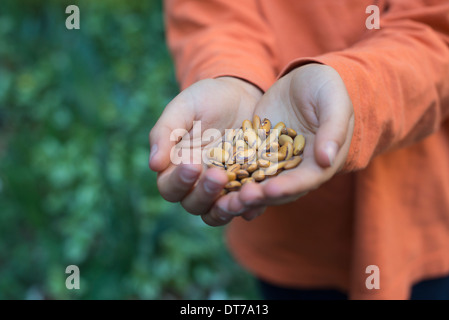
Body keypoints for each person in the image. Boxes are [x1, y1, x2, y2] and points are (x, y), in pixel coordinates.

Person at [149, 0, 449, 299]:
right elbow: (214, 16)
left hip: (421, 220)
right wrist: (233, 76)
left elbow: (438, 30)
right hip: (289, 239)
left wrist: (356, 87)